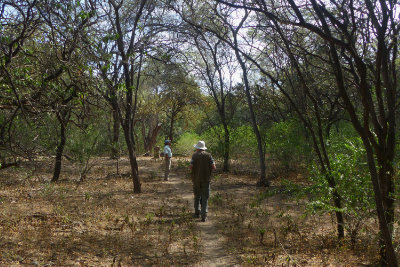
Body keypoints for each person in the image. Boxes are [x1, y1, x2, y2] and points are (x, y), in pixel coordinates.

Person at [189, 140, 216, 222]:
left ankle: (197, 213)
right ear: (204, 148)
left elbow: (190, 166)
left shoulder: (194, 155)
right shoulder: (209, 155)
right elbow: (214, 167)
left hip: (196, 179)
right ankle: (204, 216)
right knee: (205, 197)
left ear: (197, 148)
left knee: (197, 196)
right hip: (206, 179)